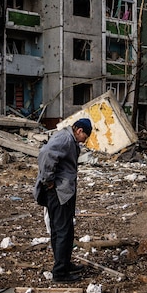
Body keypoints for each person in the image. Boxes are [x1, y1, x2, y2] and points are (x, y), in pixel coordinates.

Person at [33, 118, 92, 283]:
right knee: (62, 230)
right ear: (79, 130)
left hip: (62, 190)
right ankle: (60, 272)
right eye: (85, 136)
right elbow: (46, 154)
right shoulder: (65, 138)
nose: (84, 140)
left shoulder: (68, 138)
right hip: (58, 191)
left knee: (63, 229)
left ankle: (64, 263)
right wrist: (48, 180)